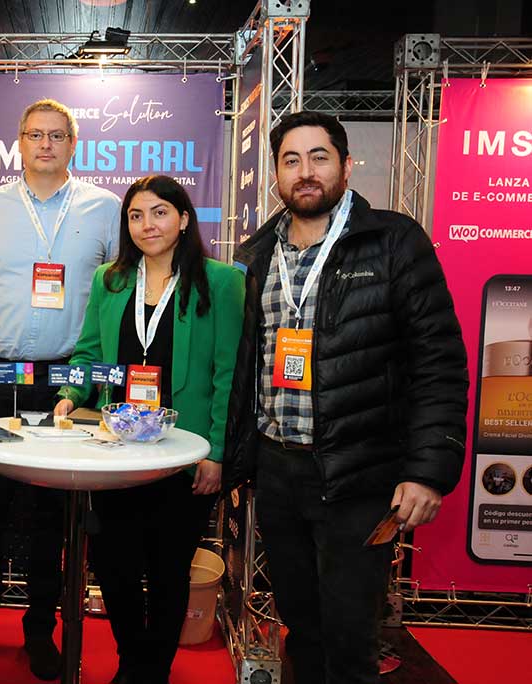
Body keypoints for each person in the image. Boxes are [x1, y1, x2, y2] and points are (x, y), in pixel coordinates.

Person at [222, 111, 468, 684]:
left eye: (319, 157)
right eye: (291, 160)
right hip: (278, 471)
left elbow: (438, 361)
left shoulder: (393, 241)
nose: (305, 172)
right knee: (301, 626)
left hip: (359, 473)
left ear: (346, 165)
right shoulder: (255, 255)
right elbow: (244, 367)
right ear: (276, 174)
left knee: (351, 637)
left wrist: (428, 472)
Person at [0, 98, 121, 679]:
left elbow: (125, 285)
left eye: (57, 135)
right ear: (19, 142)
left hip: (67, 380)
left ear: (73, 144)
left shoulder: (105, 209)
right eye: (35, 134)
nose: (45, 144)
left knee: (50, 514)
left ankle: (41, 631)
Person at [53, 175, 244, 684]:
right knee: (112, 565)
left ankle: (153, 671)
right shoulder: (111, 280)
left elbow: (227, 375)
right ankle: (132, 661)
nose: (147, 225)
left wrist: (216, 453)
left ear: (184, 219)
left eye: (159, 212)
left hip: (183, 454)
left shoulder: (221, 282)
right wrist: (71, 393)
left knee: (167, 569)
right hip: (117, 453)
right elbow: (89, 353)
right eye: (136, 215)